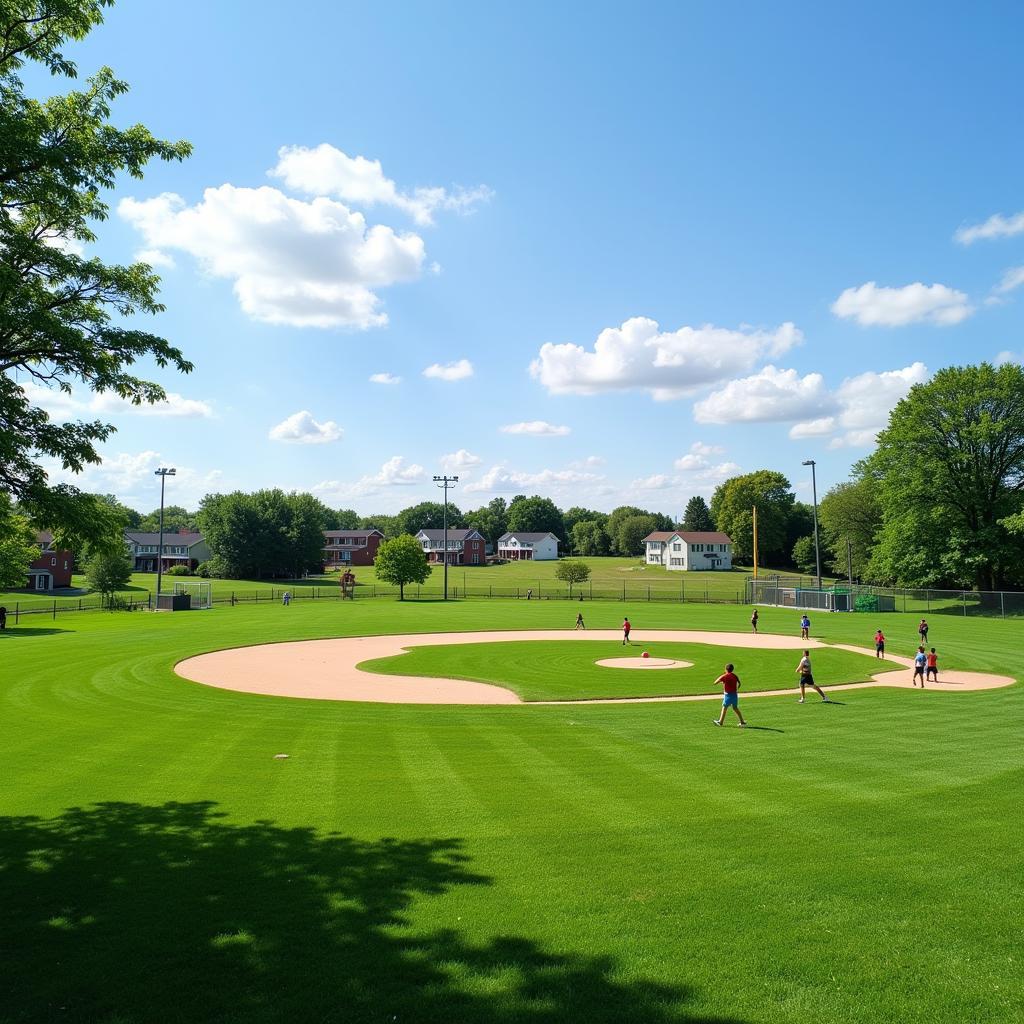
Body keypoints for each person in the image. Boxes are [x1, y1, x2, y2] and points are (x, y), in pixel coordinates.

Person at [712, 662, 747, 727]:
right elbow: (735, 683)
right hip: (734, 695)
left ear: (726, 669)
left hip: (728, 695)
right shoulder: (734, 675)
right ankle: (742, 722)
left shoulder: (725, 676)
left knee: (724, 707)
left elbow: (715, 682)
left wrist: (722, 676)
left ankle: (720, 722)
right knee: (735, 708)